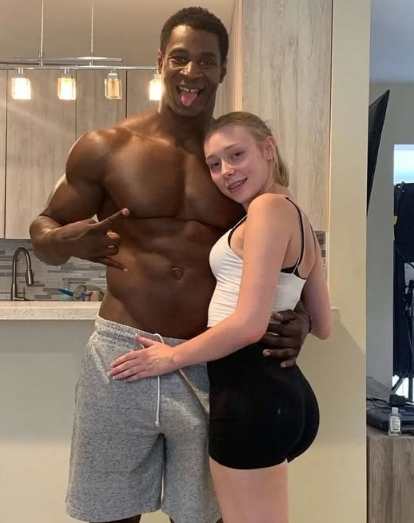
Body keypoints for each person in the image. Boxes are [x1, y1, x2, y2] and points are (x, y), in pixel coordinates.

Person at [30, 8, 311, 523]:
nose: (191, 73)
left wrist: (303, 320)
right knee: (108, 514)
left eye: (206, 61)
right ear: (159, 62)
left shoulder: (235, 168)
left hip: (210, 358)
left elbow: (290, 250)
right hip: (123, 354)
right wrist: (63, 240)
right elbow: (43, 231)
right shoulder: (106, 148)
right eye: (180, 58)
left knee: (204, 516)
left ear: (222, 70)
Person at [109, 112, 332, 523]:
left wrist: (170, 357)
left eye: (236, 155)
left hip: (251, 395)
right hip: (284, 394)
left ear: (268, 149)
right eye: (214, 164)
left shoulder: (266, 208)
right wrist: (297, 320)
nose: (226, 171)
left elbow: (248, 324)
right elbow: (324, 324)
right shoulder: (298, 215)